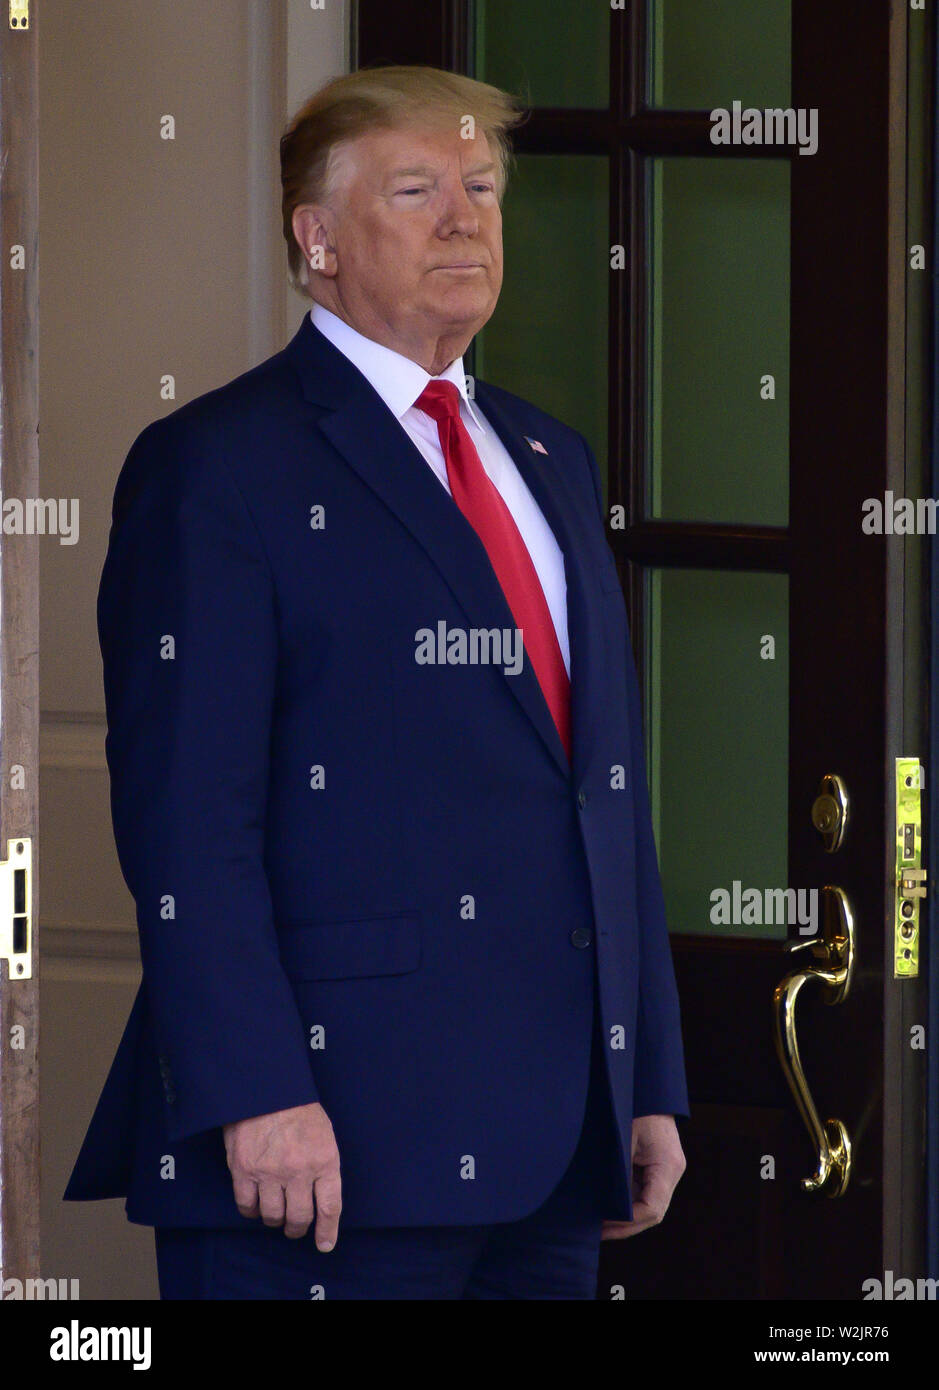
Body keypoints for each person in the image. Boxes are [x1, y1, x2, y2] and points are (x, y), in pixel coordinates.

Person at [65, 65, 688, 1300]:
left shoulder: (551, 459)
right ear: (318, 239)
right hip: (321, 1149)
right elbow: (189, 817)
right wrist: (254, 1089)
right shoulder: (217, 468)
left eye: (482, 188)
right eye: (417, 189)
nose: (465, 219)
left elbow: (601, 796)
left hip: (558, 1148)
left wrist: (648, 1077)